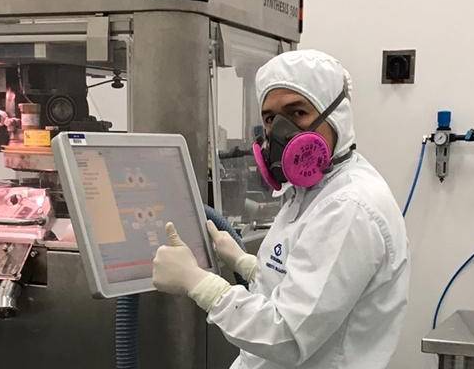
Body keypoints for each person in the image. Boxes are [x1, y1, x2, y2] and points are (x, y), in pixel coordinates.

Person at [152, 50, 410, 369]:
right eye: (271, 118)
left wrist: (198, 283)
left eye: (298, 112)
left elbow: (287, 335)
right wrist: (244, 263)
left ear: (336, 117)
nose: (280, 132)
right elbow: (301, 281)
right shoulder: (312, 191)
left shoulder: (348, 207)